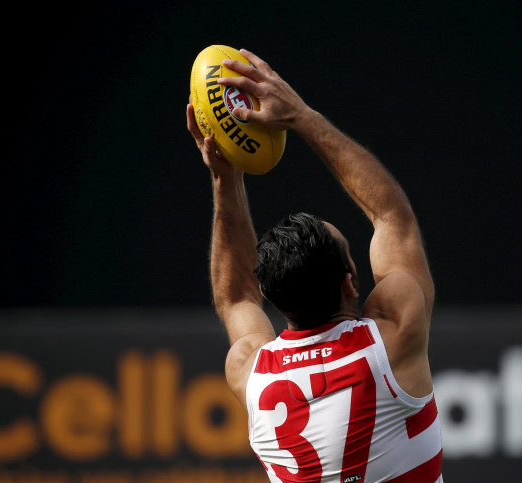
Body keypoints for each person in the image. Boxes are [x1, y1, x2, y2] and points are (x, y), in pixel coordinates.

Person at [186, 49, 442, 483]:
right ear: (351, 281)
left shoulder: (252, 370)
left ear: (271, 293)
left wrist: (224, 180)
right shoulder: (392, 338)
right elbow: (390, 216)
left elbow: (234, 299)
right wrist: (302, 117)